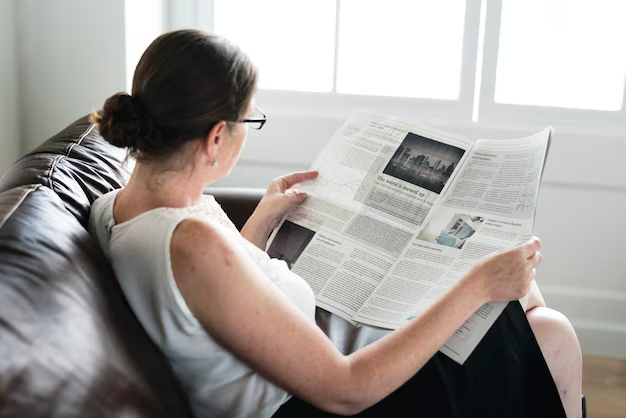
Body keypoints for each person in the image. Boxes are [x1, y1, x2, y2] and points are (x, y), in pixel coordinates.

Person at [88, 29, 582, 418]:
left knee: (524, 301)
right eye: (250, 122)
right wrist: (475, 286)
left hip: (301, 368)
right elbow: (346, 391)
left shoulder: (118, 206)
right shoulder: (187, 241)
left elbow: (203, 302)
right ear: (217, 137)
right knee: (545, 329)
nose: (248, 134)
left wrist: (260, 222)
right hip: (310, 403)